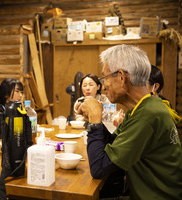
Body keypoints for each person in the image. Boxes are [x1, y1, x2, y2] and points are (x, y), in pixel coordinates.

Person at [76, 44, 182, 199]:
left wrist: (94, 123)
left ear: (121, 77)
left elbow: (99, 168)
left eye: (105, 78)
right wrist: (93, 118)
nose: (104, 86)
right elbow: (114, 142)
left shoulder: (147, 115)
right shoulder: (143, 107)